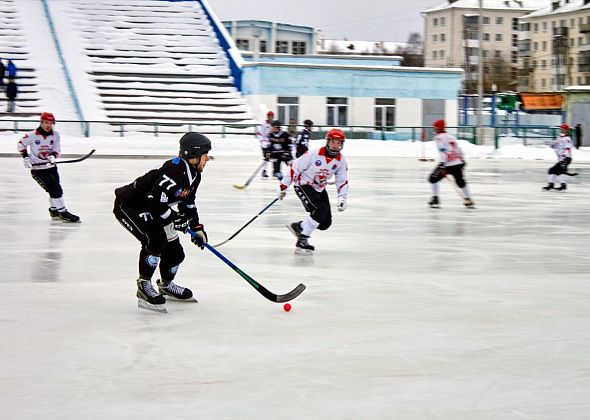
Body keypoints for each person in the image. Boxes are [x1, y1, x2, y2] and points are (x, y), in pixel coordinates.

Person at [113, 133, 211, 313]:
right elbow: (153, 201)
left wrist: (196, 227)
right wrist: (175, 219)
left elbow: (187, 202)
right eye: (205, 156)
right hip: (130, 206)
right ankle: (143, 285)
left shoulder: (194, 175)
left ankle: (165, 285)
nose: (208, 159)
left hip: (155, 208)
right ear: (194, 155)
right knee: (155, 240)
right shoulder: (174, 171)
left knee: (176, 254)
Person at [278, 128, 349, 254]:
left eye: (339, 143)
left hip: (320, 188)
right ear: (328, 141)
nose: (336, 146)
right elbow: (294, 167)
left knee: (325, 223)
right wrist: (283, 186)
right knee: (320, 210)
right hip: (303, 184)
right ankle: (303, 239)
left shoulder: (340, 160)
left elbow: (342, 180)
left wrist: (342, 197)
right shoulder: (313, 154)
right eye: (333, 142)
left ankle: (299, 226)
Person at [17, 112, 80, 222]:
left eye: (50, 123)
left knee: (56, 188)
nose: (48, 125)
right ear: (41, 122)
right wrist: (25, 157)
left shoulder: (55, 135)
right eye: (46, 122)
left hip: (51, 167)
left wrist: (53, 156)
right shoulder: (32, 135)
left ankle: (54, 209)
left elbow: (57, 148)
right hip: (38, 170)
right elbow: (21, 144)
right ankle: (63, 212)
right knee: (55, 189)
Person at [428, 119, 474, 208]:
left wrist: (442, 163)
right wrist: (462, 159)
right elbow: (459, 149)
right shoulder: (450, 136)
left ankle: (435, 198)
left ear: (439, 128)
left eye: (435, 128)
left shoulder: (438, 138)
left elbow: (443, 151)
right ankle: (468, 198)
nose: (434, 130)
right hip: (457, 162)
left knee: (432, 179)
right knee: (460, 182)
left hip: (447, 164)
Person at [543, 123, 574, 191]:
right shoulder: (560, 138)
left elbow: (568, 149)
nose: (561, 131)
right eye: (561, 129)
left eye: (563, 130)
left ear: (566, 131)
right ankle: (562, 185)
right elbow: (555, 145)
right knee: (558, 171)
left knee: (552, 170)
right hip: (562, 159)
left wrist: (565, 159)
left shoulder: (567, 139)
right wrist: (550, 143)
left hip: (566, 158)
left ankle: (552, 185)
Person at [257, 111, 274, 177]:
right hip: (265, 143)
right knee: (266, 158)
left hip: (272, 143)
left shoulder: (273, 124)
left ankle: (275, 170)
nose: (270, 118)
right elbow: (259, 134)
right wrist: (262, 141)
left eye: (271, 116)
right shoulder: (264, 124)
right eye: (269, 116)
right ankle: (264, 171)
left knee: (274, 158)